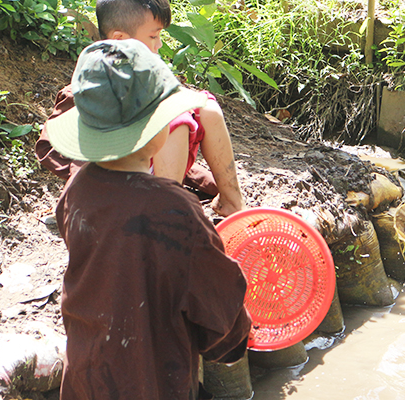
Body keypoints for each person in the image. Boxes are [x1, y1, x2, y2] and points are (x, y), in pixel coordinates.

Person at [49, 39, 251, 399]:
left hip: (85, 380)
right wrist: (237, 337)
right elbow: (222, 323)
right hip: (154, 383)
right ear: (158, 127)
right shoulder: (176, 211)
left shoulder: (76, 190)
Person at [35, 0, 246, 217]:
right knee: (174, 117)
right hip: (122, 184)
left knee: (207, 106)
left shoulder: (143, 72)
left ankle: (232, 202)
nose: (159, 44)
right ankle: (165, 215)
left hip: (152, 165)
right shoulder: (98, 82)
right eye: (153, 36)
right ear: (120, 39)